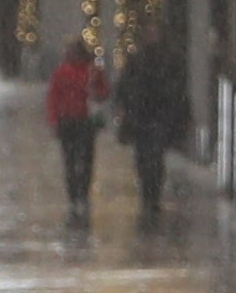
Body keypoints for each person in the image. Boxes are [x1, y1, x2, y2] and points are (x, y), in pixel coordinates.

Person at [115, 33, 190, 226]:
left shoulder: (147, 62)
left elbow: (124, 88)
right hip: (149, 117)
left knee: (149, 158)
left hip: (148, 117)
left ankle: (150, 194)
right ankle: (150, 194)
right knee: (150, 157)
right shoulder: (159, 62)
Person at [45, 39, 109, 230]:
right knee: (72, 160)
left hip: (83, 121)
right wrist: (54, 119)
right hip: (71, 122)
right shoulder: (63, 72)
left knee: (81, 160)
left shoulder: (90, 71)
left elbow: (104, 91)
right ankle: (76, 195)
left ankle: (80, 194)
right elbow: (53, 97)